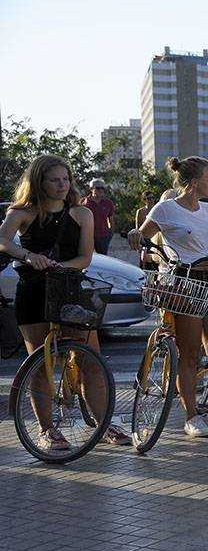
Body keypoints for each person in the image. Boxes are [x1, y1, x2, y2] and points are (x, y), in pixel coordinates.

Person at [0, 155, 130, 448]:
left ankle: (104, 423)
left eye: (66, 179)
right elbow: (3, 241)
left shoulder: (82, 214)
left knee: (90, 360)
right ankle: (47, 430)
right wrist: (28, 256)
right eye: (54, 180)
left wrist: (59, 267)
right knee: (39, 362)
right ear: (39, 182)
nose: (62, 185)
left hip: (70, 289)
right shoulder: (22, 212)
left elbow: (85, 257)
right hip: (33, 290)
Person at [128, 156, 208, 438]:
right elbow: (142, 234)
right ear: (194, 183)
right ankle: (191, 416)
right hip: (182, 282)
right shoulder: (166, 209)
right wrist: (135, 233)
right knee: (189, 355)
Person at [82, 178, 116, 255]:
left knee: (103, 259)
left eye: (102, 188)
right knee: (86, 258)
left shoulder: (108, 203)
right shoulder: (83, 203)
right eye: (98, 188)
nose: (101, 190)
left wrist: (110, 233)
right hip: (87, 236)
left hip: (103, 236)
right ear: (91, 189)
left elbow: (111, 219)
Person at [135, 190, 158, 271]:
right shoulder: (140, 211)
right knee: (144, 262)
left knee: (155, 261)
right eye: (148, 198)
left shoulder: (158, 210)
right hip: (144, 239)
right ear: (144, 200)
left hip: (155, 239)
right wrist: (139, 242)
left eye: (152, 198)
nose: (151, 200)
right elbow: (138, 228)